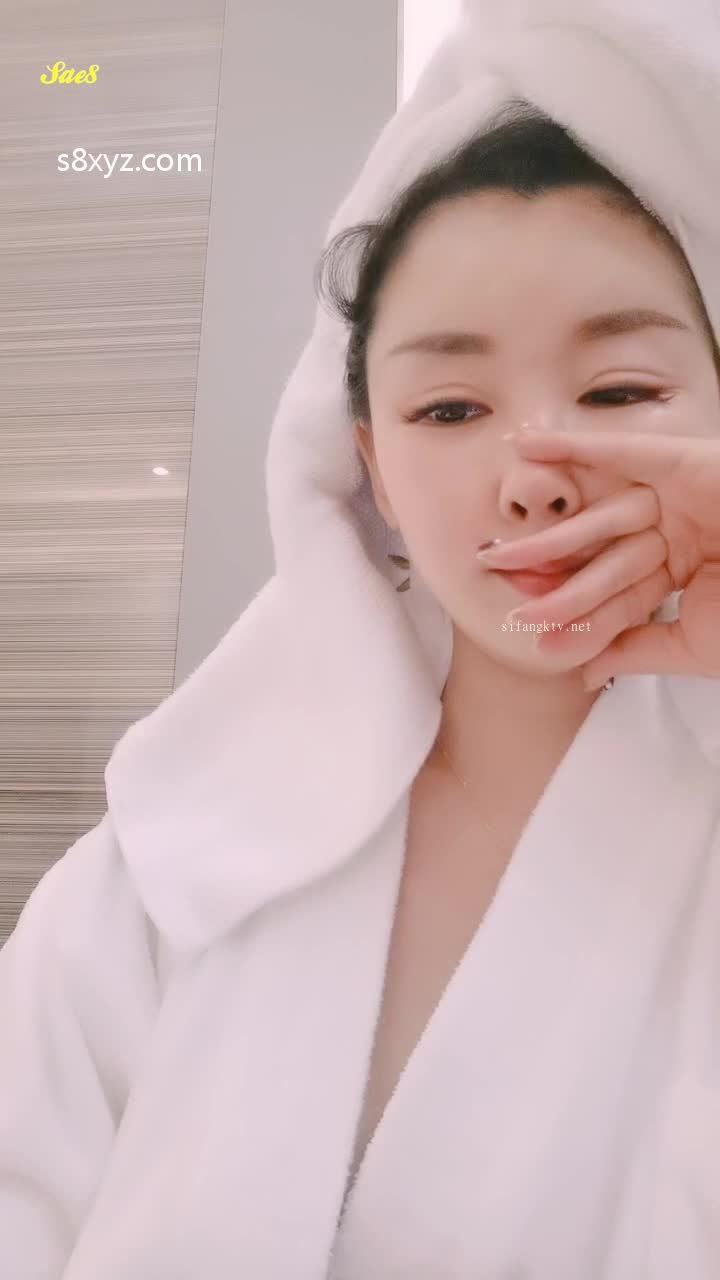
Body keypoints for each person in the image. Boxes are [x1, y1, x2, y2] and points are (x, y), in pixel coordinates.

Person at [2, 8, 720, 1278]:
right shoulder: (185, 840)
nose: (535, 478)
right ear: (372, 467)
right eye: (450, 408)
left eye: (620, 391)